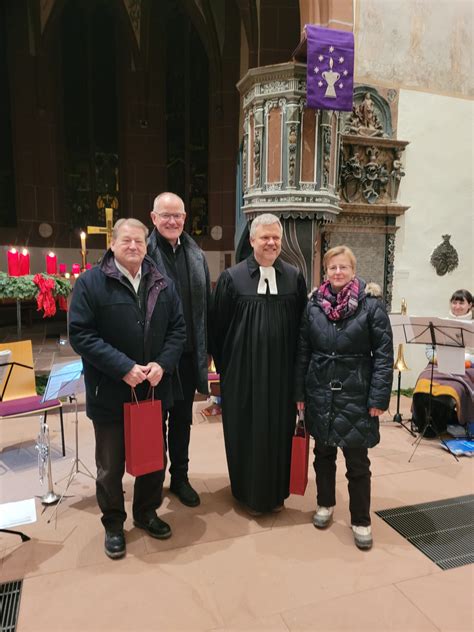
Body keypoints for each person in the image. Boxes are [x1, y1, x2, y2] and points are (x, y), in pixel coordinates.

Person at [69, 218, 186, 559]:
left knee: (152, 458)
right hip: (110, 392)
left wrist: (162, 364)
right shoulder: (91, 283)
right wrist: (123, 367)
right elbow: (81, 334)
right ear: (113, 243)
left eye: (139, 241)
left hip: (151, 391)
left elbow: (178, 329)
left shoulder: (162, 282)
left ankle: (147, 512)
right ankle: (113, 523)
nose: (133, 246)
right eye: (126, 241)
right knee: (110, 464)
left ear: (147, 245)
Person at [294, 245, 393, 550]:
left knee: (357, 461)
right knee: (323, 455)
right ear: (325, 272)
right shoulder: (313, 306)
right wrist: (299, 392)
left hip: (356, 390)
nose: (338, 273)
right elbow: (303, 351)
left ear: (354, 270)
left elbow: (384, 355)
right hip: (320, 389)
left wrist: (378, 397)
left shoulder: (371, 305)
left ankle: (361, 520)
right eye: (332, 268)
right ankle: (325, 504)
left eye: (343, 268)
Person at [211, 213, 307, 515]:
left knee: (279, 429)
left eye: (276, 238)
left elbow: (303, 327)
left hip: (281, 373)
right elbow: (218, 328)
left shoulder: (293, 277)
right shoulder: (233, 277)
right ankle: (245, 491)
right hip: (242, 374)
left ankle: (277, 492)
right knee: (245, 429)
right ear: (252, 240)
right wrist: (228, 370)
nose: (271, 242)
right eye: (264, 237)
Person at [148, 192, 211, 507]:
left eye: (177, 216)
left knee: (182, 420)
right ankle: (154, 479)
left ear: (185, 219)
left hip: (186, 355)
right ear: (154, 218)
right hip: (155, 360)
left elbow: (206, 308)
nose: (172, 221)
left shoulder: (196, 254)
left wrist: (207, 351)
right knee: (154, 421)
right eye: (166, 215)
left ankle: (180, 478)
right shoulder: (143, 253)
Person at [413, 289, 473, 434]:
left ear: (470, 305)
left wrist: (464, 359)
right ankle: (424, 419)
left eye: (461, 302)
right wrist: (438, 359)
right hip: (439, 364)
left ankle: (444, 419)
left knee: (453, 388)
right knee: (424, 381)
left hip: (466, 367)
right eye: (454, 302)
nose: (457, 306)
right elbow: (429, 350)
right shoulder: (439, 324)